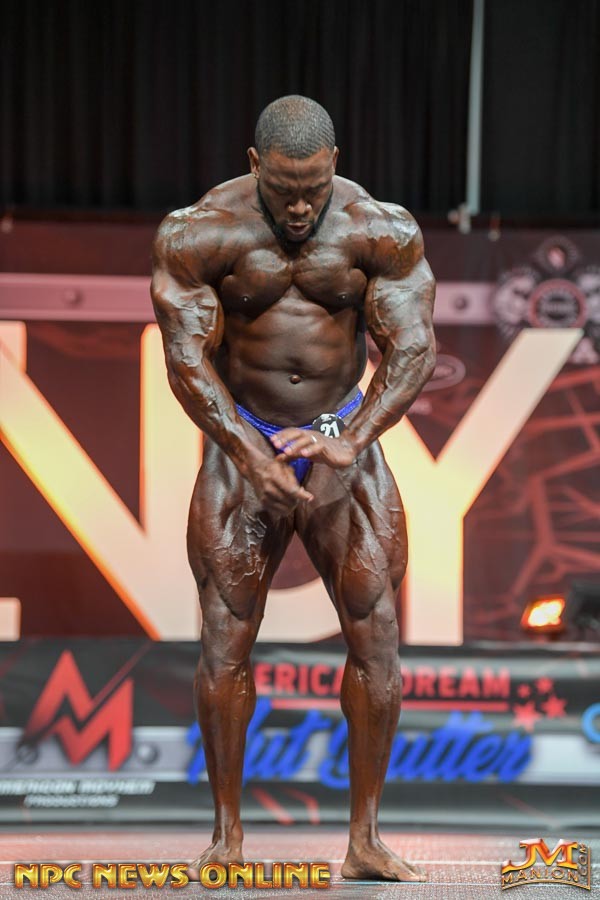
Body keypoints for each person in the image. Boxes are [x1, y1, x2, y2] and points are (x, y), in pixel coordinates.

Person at [151, 95, 435, 883]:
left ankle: (365, 839)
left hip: (342, 443)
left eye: (313, 188)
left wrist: (351, 438)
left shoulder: (382, 230)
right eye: (284, 190)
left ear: (335, 163)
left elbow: (413, 348)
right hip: (244, 444)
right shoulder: (198, 233)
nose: (301, 206)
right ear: (255, 166)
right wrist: (251, 454)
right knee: (224, 638)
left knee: (376, 634)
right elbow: (185, 360)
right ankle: (226, 837)